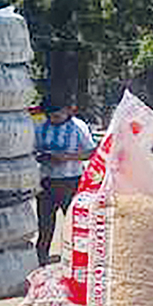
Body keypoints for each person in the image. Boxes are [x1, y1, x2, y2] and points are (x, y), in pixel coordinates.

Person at [33, 99, 96, 265]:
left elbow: (91, 152)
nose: (54, 119)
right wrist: (44, 157)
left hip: (71, 181)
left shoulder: (79, 127)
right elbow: (33, 150)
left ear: (68, 110)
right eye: (50, 116)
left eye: (57, 115)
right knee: (45, 224)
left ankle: (79, 259)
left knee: (75, 223)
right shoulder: (40, 127)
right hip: (46, 182)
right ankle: (41, 259)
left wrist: (67, 157)